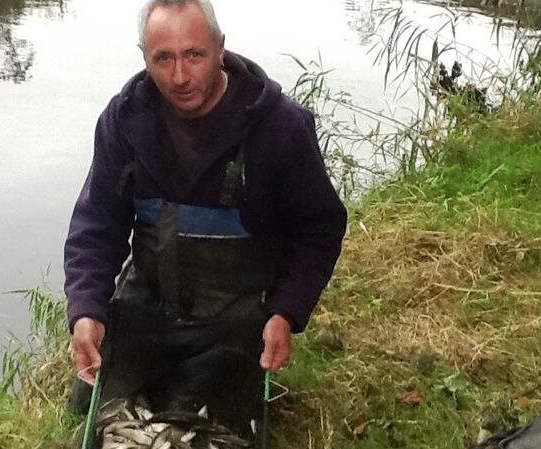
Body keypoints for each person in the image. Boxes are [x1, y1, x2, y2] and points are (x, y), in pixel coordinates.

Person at [64, 0, 348, 433]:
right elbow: (97, 227)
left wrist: (286, 312)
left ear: (220, 49)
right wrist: (86, 309)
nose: (180, 76)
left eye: (194, 55)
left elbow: (318, 230)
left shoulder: (280, 127)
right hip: (149, 305)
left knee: (212, 424)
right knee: (95, 408)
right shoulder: (124, 120)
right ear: (145, 58)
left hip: (236, 317)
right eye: (164, 58)